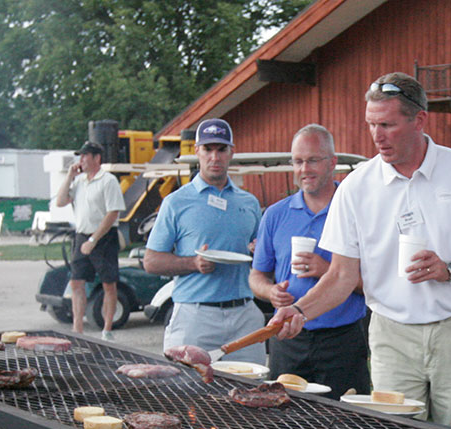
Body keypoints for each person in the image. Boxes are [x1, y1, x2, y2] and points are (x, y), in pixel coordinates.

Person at [268, 73, 451, 429]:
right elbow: (340, 276)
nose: (377, 136)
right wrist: (299, 311)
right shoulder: (356, 187)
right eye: (371, 124)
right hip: (391, 335)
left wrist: (450, 269)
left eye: (387, 124)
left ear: (419, 120)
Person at [249, 125, 370, 397]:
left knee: (349, 424)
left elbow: (374, 286)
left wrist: (326, 269)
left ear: (333, 162)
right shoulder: (275, 214)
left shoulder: (356, 211)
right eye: (298, 161)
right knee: (283, 419)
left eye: (313, 160)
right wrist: (270, 292)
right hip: (288, 339)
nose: (305, 169)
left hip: (342, 340)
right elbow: (256, 276)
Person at [144, 118, 265, 363]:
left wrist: (258, 251)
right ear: (197, 151)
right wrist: (193, 263)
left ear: (232, 152)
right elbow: (151, 262)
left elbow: (263, 256)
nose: (215, 157)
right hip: (195, 315)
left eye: (221, 149)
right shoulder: (176, 202)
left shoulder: (249, 203)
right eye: (208, 149)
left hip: (244, 315)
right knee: (186, 394)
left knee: (252, 391)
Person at [56, 141, 126, 340]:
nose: (82, 160)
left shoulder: (108, 180)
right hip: (81, 234)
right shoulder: (79, 182)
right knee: (76, 282)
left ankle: (107, 329)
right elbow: (61, 201)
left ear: (97, 158)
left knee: (108, 283)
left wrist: (94, 239)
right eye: (81, 156)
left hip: (103, 236)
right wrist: (69, 176)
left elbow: (113, 212)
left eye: (86, 156)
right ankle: (78, 328)